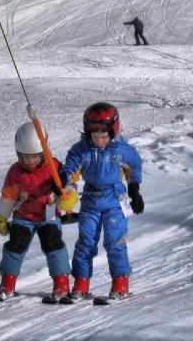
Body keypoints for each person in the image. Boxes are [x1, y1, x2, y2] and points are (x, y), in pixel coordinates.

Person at [59, 102, 143, 303]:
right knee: (85, 243)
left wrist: (134, 189)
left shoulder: (122, 150)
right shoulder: (80, 150)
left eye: (104, 137)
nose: (99, 141)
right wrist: (64, 177)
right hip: (90, 201)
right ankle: (81, 283)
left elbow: (134, 167)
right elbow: (70, 167)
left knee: (114, 241)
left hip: (115, 200)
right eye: (94, 137)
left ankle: (120, 283)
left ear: (113, 130)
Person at [0, 122, 77, 303]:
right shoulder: (16, 171)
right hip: (24, 216)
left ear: (43, 152)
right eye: (25, 157)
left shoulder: (55, 167)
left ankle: (61, 283)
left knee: (53, 245)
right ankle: (7, 282)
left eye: (36, 157)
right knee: (15, 245)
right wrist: (2, 218)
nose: (31, 162)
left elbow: (68, 187)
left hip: (49, 214)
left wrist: (68, 202)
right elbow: (9, 196)